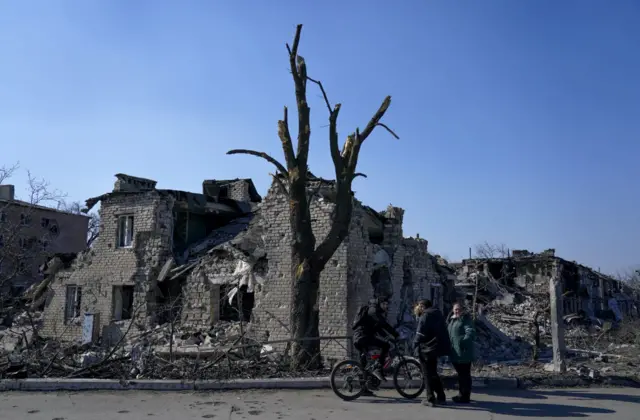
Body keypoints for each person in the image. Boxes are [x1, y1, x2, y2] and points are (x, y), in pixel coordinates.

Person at [352, 296, 399, 383]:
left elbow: (378, 328)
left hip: (359, 337)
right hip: (363, 337)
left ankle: (364, 388)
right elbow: (384, 324)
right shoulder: (373, 311)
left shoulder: (373, 312)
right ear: (379, 303)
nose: (386, 306)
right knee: (386, 346)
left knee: (365, 364)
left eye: (387, 304)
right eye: (384, 304)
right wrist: (396, 334)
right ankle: (378, 368)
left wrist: (388, 337)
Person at [413, 299, 450, 407]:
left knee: (427, 374)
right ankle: (441, 396)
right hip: (436, 348)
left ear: (423, 306)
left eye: (420, 306)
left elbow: (420, 333)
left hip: (427, 348)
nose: (418, 308)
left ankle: (430, 398)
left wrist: (414, 345)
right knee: (433, 373)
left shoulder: (425, 315)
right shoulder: (437, 313)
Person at [447, 302, 476, 403]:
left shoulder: (465, 320)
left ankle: (465, 396)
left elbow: (470, 332)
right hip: (455, 352)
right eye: (455, 309)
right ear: (453, 310)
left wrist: (462, 342)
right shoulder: (452, 320)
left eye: (459, 309)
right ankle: (461, 394)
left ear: (462, 310)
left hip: (464, 352)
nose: (457, 311)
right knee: (461, 375)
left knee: (465, 375)